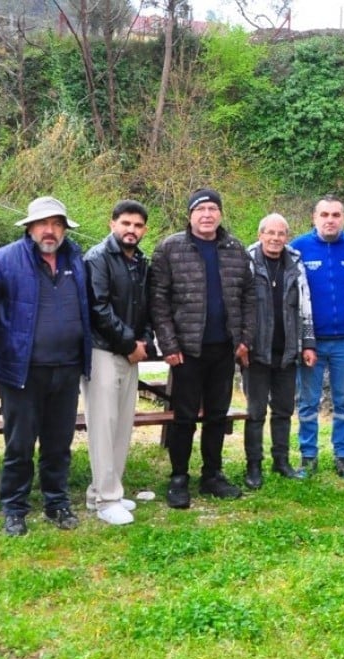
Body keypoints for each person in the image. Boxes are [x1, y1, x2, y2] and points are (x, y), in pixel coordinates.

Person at [0, 196, 91, 536]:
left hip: (68, 367)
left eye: (57, 223)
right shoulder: (2, 261)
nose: (50, 230)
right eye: (43, 223)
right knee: (19, 445)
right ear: (29, 228)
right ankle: (14, 509)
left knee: (59, 443)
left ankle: (56, 502)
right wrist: (9, 342)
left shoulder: (77, 259)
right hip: (22, 371)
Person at [149, 188, 256, 508]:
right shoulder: (170, 248)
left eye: (212, 209)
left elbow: (250, 298)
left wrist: (245, 339)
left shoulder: (236, 249)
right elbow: (158, 300)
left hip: (224, 348)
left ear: (220, 214)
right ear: (189, 215)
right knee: (183, 417)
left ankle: (212, 474)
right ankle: (179, 477)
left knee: (217, 415)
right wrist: (168, 343)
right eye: (200, 209)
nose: (207, 215)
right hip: (186, 350)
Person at [81, 199, 153, 526]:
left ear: (144, 230)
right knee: (103, 426)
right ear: (112, 224)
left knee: (123, 425)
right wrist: (128, 344)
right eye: (125, 223)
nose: (131, 230)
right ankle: (106, 501)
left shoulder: (141, 262)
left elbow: (146, 308)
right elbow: (98, 308)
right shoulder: (97, 258)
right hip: (103, 351)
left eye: (137, 226)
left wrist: (144, 342)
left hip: (130, 352)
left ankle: (104, 491)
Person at [290, 195, 344, 479]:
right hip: (311, 341)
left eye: (336, 215)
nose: (330, 220)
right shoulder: (298, 248)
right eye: (324, 214)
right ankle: (308, 457)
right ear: (314, 217)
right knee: (309, 401)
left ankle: (343, 457)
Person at [243, 213, 316, 488]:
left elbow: (306, 305)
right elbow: (239, 305)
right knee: (255, 412)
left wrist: (308, 344)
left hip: (287, 350)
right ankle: (253, 466)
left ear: (287, 236)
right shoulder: (247, 260)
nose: (275, 238)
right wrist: (241, 343)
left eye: (281, 233)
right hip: (255, 351)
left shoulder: (295, 262)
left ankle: (281, 461)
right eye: (270, 233)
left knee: (284, 409)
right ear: (260, 234)